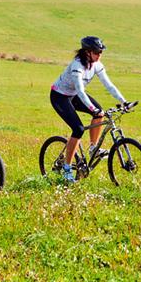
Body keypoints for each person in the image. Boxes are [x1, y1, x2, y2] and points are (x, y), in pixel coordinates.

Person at [50, 36, 128, 184]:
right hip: (59, 96)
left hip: (73, 95)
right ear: (87, 52)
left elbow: (109, 85)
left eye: (101, 52)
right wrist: (93, 109)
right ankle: (67, 169)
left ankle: (93, 148)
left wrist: (124, 101)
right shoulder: (77, 66)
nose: (99, 55)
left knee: (100, 111)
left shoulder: (97, 65)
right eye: (97, 52)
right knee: (78, 129)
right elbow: (80, 90)